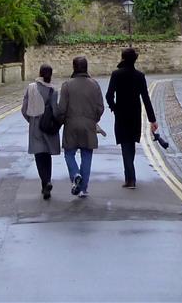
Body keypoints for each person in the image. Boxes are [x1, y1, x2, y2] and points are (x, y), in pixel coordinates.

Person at [105, 47, 157, 188]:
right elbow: (146, 99)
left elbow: (109, 95)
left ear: (122, 58)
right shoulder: (139, 76)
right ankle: (130, 177)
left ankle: (130, 178)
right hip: (134, 114)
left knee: (125, 145)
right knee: (131, 144)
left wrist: (114, 108)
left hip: (121, 114)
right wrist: (152, 120)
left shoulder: (116, 74)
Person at [56, 55, 104, 198]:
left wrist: (61, 122)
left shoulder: (67, 85)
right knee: (87, 155)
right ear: (86, 67)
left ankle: (75, 174)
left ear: (74, 67)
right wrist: (94, 119)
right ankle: (83, 188)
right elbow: (100, 107)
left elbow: (61, 109)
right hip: (89, 124)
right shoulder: (94, 84)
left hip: (71, 124)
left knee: (69, 153)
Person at [21, 63, 60, 200]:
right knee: (47, 155)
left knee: (39, 155)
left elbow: (24, 109)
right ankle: (48, 180)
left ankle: (44, 182)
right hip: (48, 125)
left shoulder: (31, 88)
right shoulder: (53, 91)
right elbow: (55, 111)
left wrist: (32, 121)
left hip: (35, 124)